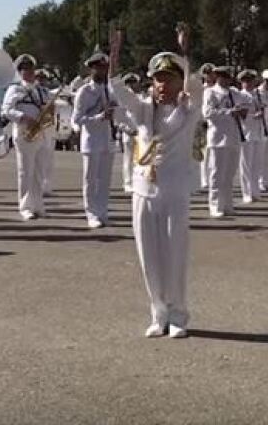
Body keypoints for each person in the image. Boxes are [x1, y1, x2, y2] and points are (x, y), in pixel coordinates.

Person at [108, 26, 203, 339]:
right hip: (144, 191)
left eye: (169, 79)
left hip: (174, 191)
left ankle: (178, 314)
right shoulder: (143, 109)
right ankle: (158, 312)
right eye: (158, 79)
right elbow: (117, 89)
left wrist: (185, 52)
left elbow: (196, 86)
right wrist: (116, 54)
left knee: (175, 252)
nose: (163, 85)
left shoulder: (188, 111)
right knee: (148, 255)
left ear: (179, 82)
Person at [3, 54, 53, 221]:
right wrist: (23, 117)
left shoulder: (41, 90)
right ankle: (25, 207)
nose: (28, 72)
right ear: (19, 72)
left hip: (40, 133)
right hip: (24, 133)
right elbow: (6, 110)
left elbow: (49, 110)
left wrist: (48, 115)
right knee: (25, 171)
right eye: (24, 69)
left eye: (30, 69)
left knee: (39, 171)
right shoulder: (15, 89)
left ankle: (38, 205)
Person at [71, 51, 118, 228]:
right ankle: (91, 213)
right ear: (91, 69)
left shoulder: (109, 89)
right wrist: (99, 117)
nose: (102, 71)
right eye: (98, 67)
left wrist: (114, 110)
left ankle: (103, 211)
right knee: (90, 179)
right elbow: (77, 119)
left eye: (104, 67)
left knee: (104, 179)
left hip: (107, 138)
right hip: (91, 140)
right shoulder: (85, 91)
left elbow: (118, 107)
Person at [203, 65, 249, 217]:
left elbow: (243, 109)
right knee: (216, 173)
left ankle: (227, 203)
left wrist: (242, 112)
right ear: (218, 77)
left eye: (228, 77)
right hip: (217, 138)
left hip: (233, 136)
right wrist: (230, 112)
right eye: (223, 77)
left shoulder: (235, 93)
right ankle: (215, 205)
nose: (226, 80)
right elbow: (208, 113)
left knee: (229, 174)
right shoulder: (210, 92)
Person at [236, 69, 267, 205]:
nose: (248, 84)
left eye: (251, 81)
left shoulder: (258, 94)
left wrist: (262, 112)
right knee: (246, 165)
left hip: (258, 132)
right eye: (245, 81)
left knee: (256, 164)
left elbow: (266, 109)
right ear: (242, 82)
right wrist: (253, 116)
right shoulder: (240, 96)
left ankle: (255, 191)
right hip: (246, 132)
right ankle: (247, 193)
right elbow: (240, 116)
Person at [35, 69, 58, 197]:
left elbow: (53, 110)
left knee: (49, 158)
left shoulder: (49, 94)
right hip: (38, 127)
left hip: (48, 127)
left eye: (43, 78)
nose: (41, 80)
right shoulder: (33, 92)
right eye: (39, 78)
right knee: (39, 158)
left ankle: (47, 186)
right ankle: (39, 185)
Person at [118, 73, 141, 194]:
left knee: (139, 160)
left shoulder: (140, 97)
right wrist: (127, 129)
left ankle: (137, 181)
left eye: (134, 83)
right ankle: (127, 183)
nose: (132, 85)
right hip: (128, 132)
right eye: (130, 83)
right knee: (128, 158)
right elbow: (119, 118)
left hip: (140, 133)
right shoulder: (122, 99)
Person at [196, 63, 215, 191]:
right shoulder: (200, 90)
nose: (208, 76)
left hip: (215, 124)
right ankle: (204, 179)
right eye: (206, 74)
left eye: (210, 73)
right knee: (204, 153)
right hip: (202, 123)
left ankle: (212, 177)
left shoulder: (216, 90)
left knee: (214, 154)